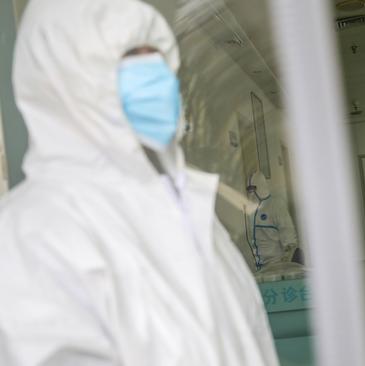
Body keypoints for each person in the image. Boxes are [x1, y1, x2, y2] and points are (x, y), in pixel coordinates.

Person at [0, 0, 279, 365]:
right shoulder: (31, 235)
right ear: (65, 78)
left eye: (156, 56)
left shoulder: (191, 213)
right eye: (130, 57)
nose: (153, 76)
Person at [246, 171, 303, 270]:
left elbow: (288, 236)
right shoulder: (251, 211)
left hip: (278, 266)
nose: (251, 193)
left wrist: (287, 261)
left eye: (253, 189)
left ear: (261, 186)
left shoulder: (276, 205)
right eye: (249, 189)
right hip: (260, 269)